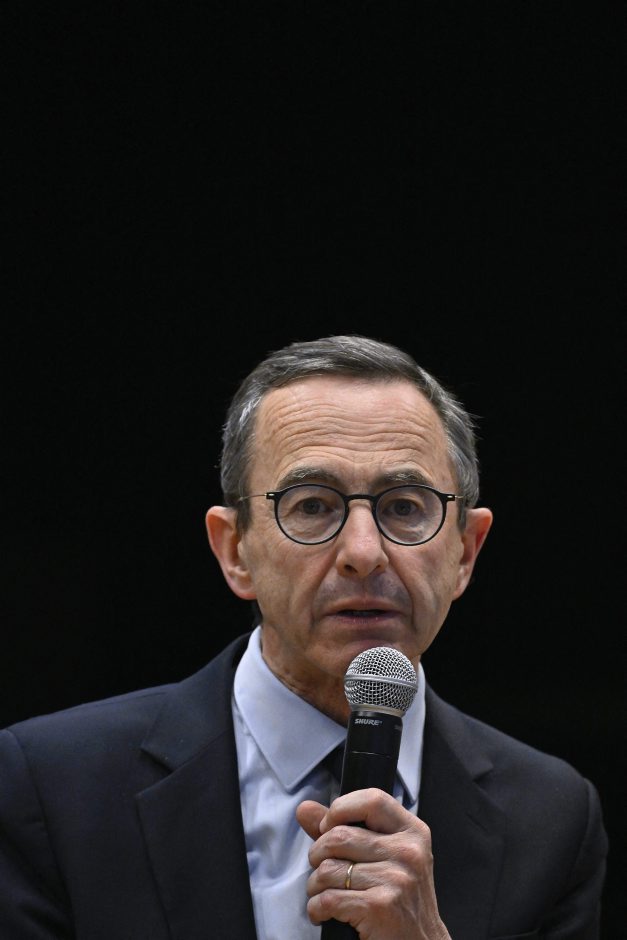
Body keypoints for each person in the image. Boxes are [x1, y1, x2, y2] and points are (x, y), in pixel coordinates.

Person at [0, 335, 607, 939]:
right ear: (234, 550)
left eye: (404, 507)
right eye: (313, 506)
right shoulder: (52, 788)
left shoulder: (552, 819)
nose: (364, 553)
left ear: (466, 553)